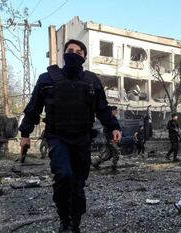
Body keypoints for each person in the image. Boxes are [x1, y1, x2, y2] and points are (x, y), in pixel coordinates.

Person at [18, 39, 122, 233]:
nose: (74, 53)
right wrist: (25, 134)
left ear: (84, 57)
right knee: (63, 176)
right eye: (70, 50)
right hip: (58, 137)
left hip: (82, 138)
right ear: (64, 54)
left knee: (78, 183)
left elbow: (103, 108)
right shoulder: (47, 78)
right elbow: (33, 108)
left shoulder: (92, 81)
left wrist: (114, 126)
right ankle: (64, 220)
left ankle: (75, 223)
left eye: (79, 51)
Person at [92, 106, 121, 170]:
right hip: (110, 139)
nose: (116, 112)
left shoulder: (113, 118)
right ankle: (114, 166)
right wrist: (109, 139)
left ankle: (96, 163)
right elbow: (106, 130)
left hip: (111, 139)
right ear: (112, 111)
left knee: (109, 155)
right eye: (116, 110)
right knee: (117, 152)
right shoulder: (108, 119)